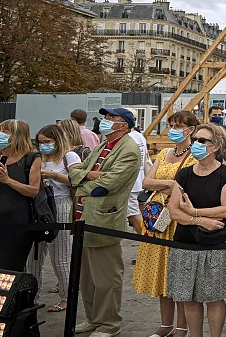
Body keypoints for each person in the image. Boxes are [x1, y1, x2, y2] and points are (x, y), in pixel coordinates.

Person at [69, 108, 143, 337]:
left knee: (106, 277)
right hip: (83, 217)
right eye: (106, 118)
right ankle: (94, 319)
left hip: (104, 218)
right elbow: (75, 170)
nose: (106, 121)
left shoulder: (128, 149)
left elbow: (107, 185)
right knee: (87, 277)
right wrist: (87, 174)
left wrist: (82, 181)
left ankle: (109, 324)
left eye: (111, 119)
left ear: (125, 125)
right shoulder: (104, 144)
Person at [166, 123, 226, 337]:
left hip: (214, 243)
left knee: (214, 297)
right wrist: (201, 220)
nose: (196, 144)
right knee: (189, 298)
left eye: (202, 141)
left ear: (215, 146)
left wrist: (195, 212)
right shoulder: (184, 175)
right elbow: (174, 211)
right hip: (185, 242)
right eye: (195, 140)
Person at [134, 111, 198, 337]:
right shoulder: (164, 152)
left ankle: (182, 327)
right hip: (156, 219)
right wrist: (169, 184)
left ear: (190, 130)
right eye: (171, 124)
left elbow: (188, 188)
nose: (172, 129)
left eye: (177, 125)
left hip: (177, 219)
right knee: (161, 273)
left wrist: (165, 186)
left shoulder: (194, 156)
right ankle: (165, 324)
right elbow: (146, 181)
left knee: (177, 276)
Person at [26, 124, 82, 311]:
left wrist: (53, 175)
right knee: (33, 257)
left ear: (58, 141)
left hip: (60, 205)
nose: (43, 146)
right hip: (39, 207)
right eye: (40, 142)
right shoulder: (36, 157)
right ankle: (31, 296)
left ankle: (67, 297)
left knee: (61, 256)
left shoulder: (69, 156)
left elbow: (78, 179)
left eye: (48, 142)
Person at [0, 119, 42, 274]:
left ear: (17, 136)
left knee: (11, 268)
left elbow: (33, 190)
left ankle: (12, 298)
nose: (0, 134)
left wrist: (7, 180)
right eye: (0, 130)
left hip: (17, 223)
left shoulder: (31, 159)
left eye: (5, 131)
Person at [128, 122, 150, 235]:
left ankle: (146, 237)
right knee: (139, 207)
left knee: (132, 212)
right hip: (139, 179)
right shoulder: (139, 135)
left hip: (130, 181)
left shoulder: (128, 137)